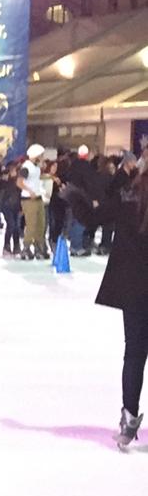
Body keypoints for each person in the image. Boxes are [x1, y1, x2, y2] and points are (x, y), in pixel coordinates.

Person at [95, 158, 148, 451]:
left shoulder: (129, 197)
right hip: (136, 286)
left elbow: (98, 212)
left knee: (135, 354)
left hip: (135, 287)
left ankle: (128, 419)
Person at [18, 145, 51, 261]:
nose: (42, 157)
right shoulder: (26, 167)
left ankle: (39, 247)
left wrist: (49, 177)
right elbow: (19, 182)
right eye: (41, 155)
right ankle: (26, 248)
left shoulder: (36, 168)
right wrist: (29, 191)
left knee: (41, 224)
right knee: (31, 225)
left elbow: (36, 178)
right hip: (29, 200)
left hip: (38, 198)